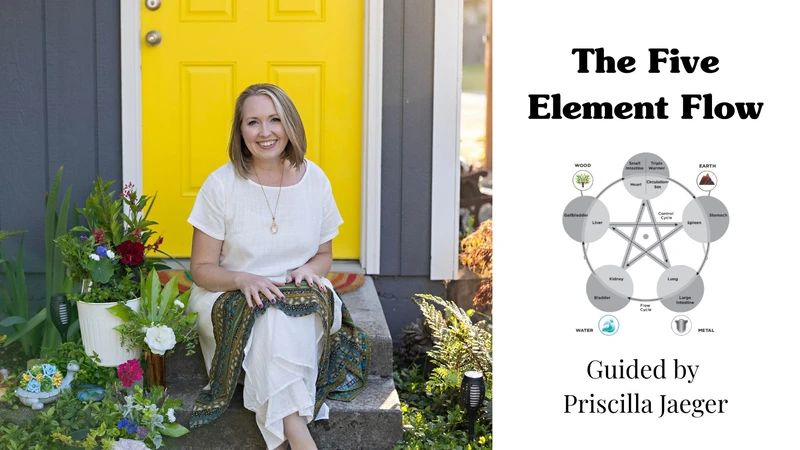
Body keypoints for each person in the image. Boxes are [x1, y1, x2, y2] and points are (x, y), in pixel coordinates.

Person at [185, 83, 370, 450]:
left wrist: (311, 271)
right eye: (253, 122)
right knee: (269, 318)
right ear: (240, 132)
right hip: (231, 293)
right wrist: (241, 278)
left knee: (283, 318)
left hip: (297, 293)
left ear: (290, 125)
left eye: (274, 120)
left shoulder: (315, 179)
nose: (265, 132)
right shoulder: (220, 185)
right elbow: (201, 269)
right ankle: (298, 438)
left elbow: (324, 255)